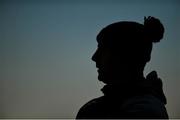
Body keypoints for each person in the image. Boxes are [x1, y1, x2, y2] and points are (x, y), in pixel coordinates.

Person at [76, 16, 169, 119]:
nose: (94, 57)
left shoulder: (146, 111)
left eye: (103, 49)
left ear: (125, 55)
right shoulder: (102, 106)